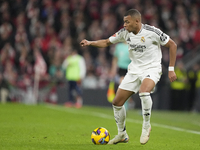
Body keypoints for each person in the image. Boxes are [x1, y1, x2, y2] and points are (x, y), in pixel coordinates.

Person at [80, 9, 177, 145]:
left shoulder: (152, 32)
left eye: (127, 22)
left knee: (144, 91)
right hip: (134, 71)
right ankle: (122, 134)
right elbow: (107, 42)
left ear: (137, 21)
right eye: (124, 22)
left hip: (152, 69)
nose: (124, 25)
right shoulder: (125, 33)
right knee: (116, 102)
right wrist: (90, 43)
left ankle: (146, 126)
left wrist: (171, 69)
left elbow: (172, 45)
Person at [109, 42, 132, 111]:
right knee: (122, 86)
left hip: (129, 69)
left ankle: (125, 104)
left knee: (126, 88)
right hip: (120, 69)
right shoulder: (119, 46)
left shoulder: (132, 46)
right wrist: (113, 70)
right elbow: (115, 59)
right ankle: (123, 105)